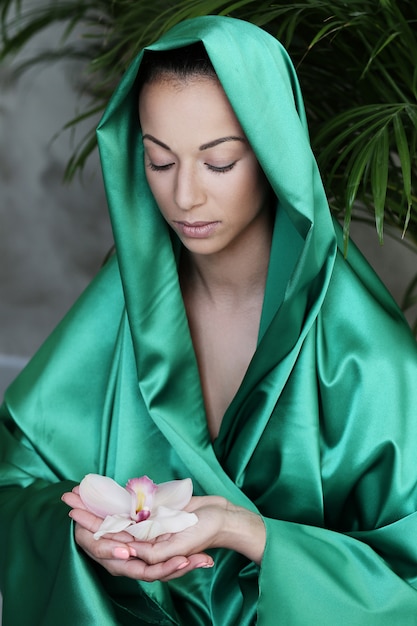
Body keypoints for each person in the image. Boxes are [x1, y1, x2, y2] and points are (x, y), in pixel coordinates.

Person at [1, 15, 417, 626]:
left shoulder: (365, 353)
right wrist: (80, 534)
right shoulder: (124, 302)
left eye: (218, 162)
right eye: (159, 162)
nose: (185, 197)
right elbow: (16, 482)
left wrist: (257, 538)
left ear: (275, 155)